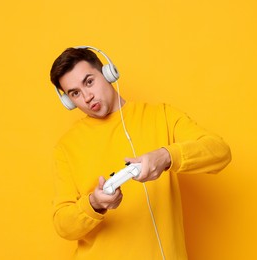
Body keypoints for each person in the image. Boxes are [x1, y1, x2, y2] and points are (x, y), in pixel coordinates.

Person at [50, 46, 231, 259]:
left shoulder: (161, 116)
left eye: (89, 82)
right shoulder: (67, 146)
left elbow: (220, 152)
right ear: (69, 102)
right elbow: (63, 224)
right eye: (75, 93)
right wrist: (94, 204)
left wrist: (166, 156)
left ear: (108, 73)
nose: (87, 96)